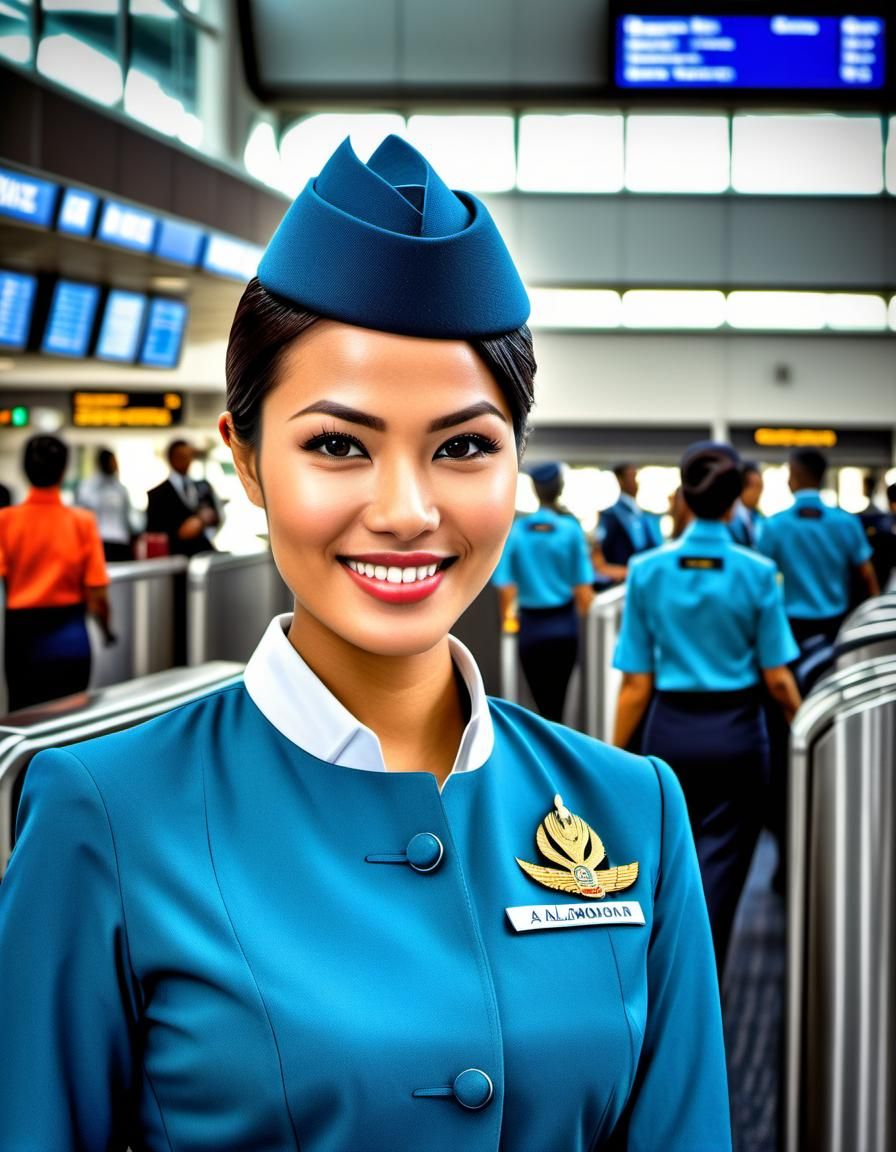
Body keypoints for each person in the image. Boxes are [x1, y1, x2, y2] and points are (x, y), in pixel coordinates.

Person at [0, 136, 731, 1151]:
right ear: (246, 462)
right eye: (337, 444)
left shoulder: (630, 811)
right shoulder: (105, 815)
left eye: (463, 446)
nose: (405, 510)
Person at [612, 441, 801, 975]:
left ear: (686, 495)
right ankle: (703, 983)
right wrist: (805, 727)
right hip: (739, 735)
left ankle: (661, 980)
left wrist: (611, 753)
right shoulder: (758, 572)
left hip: (669, 731)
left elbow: (635, 685)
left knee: (667, 864)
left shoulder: (647, 570)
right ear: (735, 497)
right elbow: (779, 679)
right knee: (723, 871)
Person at [0, 434, 113, 712]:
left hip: (21, 638)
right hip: (71, 635)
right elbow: (97, 592)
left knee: (24, 718)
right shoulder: (82, 522)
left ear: (25, 471)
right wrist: (107, 629)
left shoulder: (5, 521)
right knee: (69, 722)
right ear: (63, 471)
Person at [492, 462, 594, 721]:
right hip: (564, 626)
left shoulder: (518, 530)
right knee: (561, 703)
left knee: (536, 704)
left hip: (530, 627)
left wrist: (508, 622)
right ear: (559, 489)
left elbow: (504, 585)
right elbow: (583, 591)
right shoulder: (570, 529)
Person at [757, 448, 879, 652]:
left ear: (795, 474)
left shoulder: (774, 525)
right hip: (838, 624)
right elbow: (867, 575)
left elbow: (760, 578)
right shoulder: (846, 522)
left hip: (791, 626)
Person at [146, 438, 221, 556]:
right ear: (171, 459)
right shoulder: (157, 495)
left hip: (203, 552)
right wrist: (179, 532)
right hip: (175, 557)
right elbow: (154, 533)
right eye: (181, 456)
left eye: (189, 456)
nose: (187, 461)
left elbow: (217, 517)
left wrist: (207, 519)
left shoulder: (203, 486)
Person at [592, 461, 661, 582]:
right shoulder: (610, 515)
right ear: (620, 480)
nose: (636, 482)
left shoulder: (643, 514)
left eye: (636, 477)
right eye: (632, 477)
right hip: (623, 578)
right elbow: (599, 558)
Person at [76, 447, 138, 561]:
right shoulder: (88, 487)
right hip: (99, 541)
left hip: (120, 541)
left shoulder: (120, 489)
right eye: (113, 461)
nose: (115, 465)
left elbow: (127, 517)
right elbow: (82, 515)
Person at [727, 460, 763, 548]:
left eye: (761, 487)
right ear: (741, 487)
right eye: (756, 487)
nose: (759, 492)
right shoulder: (727, 516)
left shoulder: (758, 518)